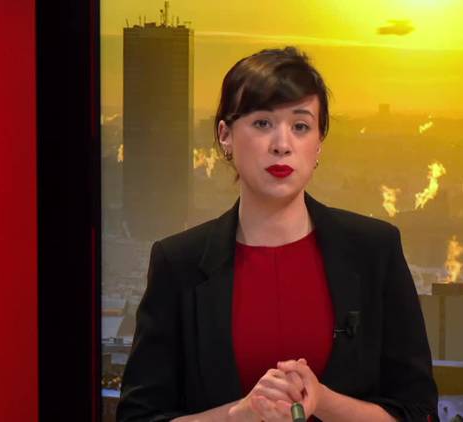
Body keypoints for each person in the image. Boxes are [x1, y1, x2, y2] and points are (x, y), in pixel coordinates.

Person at [116, 46, 438, 422]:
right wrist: (241, 414)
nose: (282, 145)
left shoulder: (374, 251)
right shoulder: (178, 263)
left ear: (318, 143)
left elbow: (420, 413)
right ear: (225, 135)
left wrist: (323, 401)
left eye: (300, 127)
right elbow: (137, 418)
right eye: (262, 123)